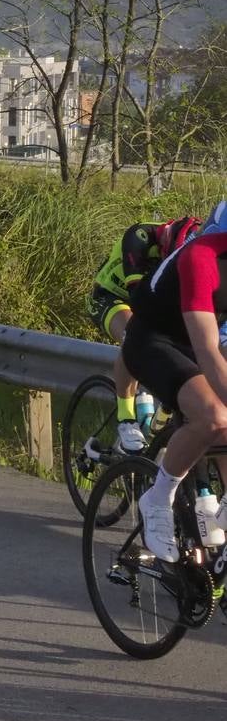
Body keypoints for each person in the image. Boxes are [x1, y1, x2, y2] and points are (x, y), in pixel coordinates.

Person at [125, 201, 227, 562]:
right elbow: (209, 351)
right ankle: (158, 499)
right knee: (214, 416)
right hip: (154, 340)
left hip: (199, 340)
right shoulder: (201, 258)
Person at [86, 216, 200, 452]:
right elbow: (140, 301)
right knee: (133, 333)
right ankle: (126, 419)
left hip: (148, 304)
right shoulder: (139, 238)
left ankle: (160, 415)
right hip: (111, 297)